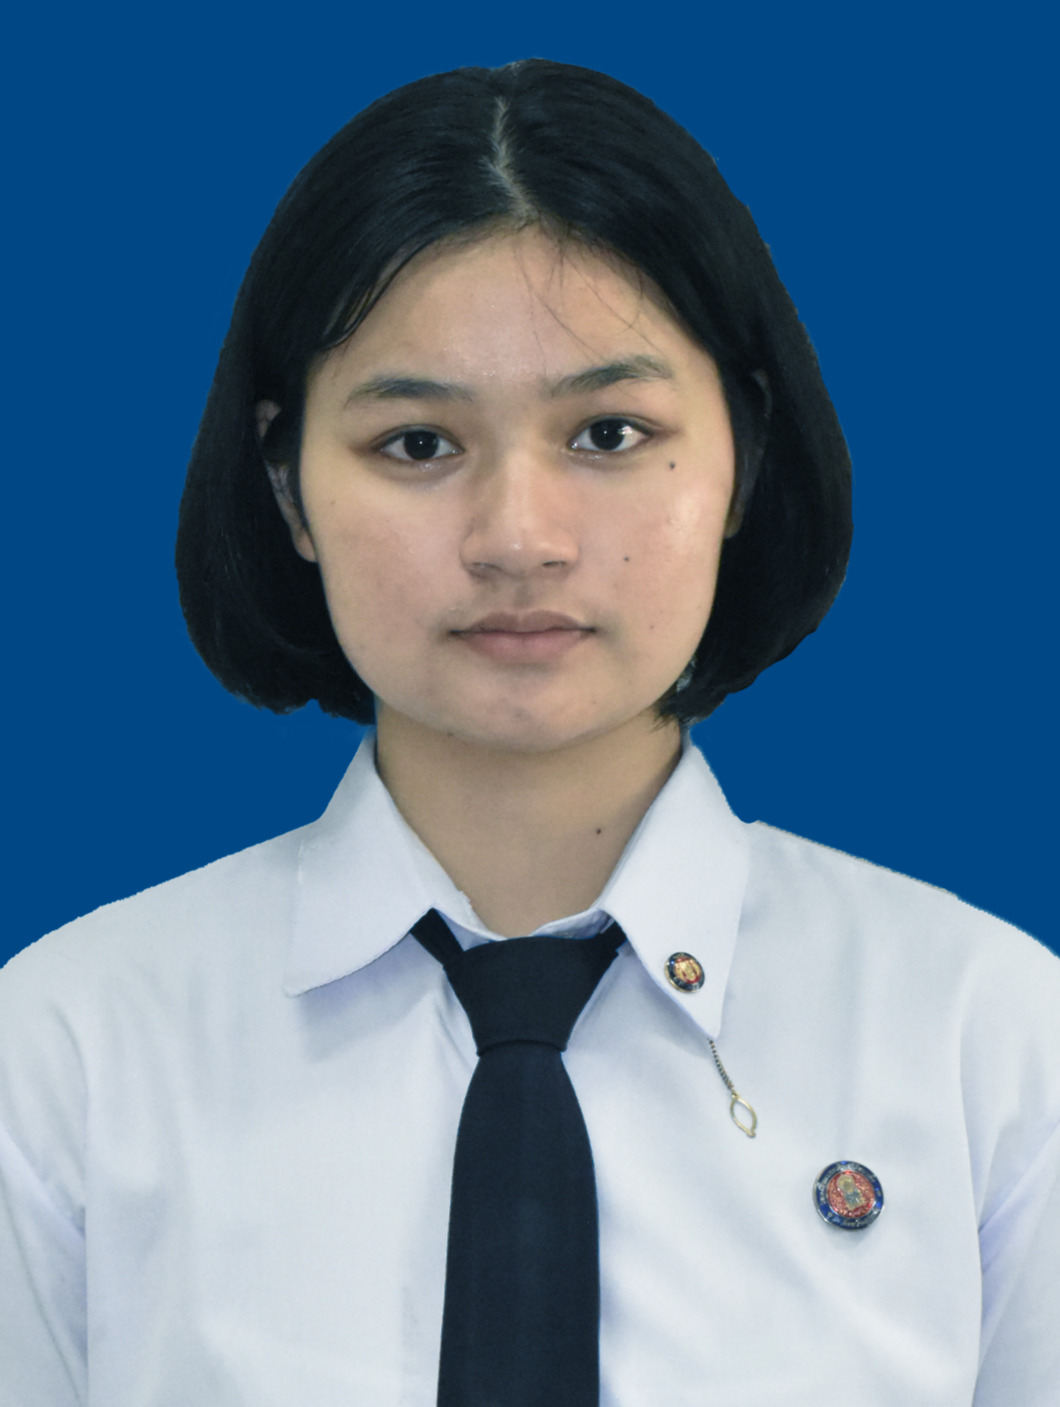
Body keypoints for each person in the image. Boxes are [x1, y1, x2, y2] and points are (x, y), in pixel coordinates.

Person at [1, 58, 1057, 1407]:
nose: (518, 539)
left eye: (608, 432)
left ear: (743, 454)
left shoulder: (987, 1038)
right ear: (288, 486)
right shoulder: (68, 1052)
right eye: (417, 444)